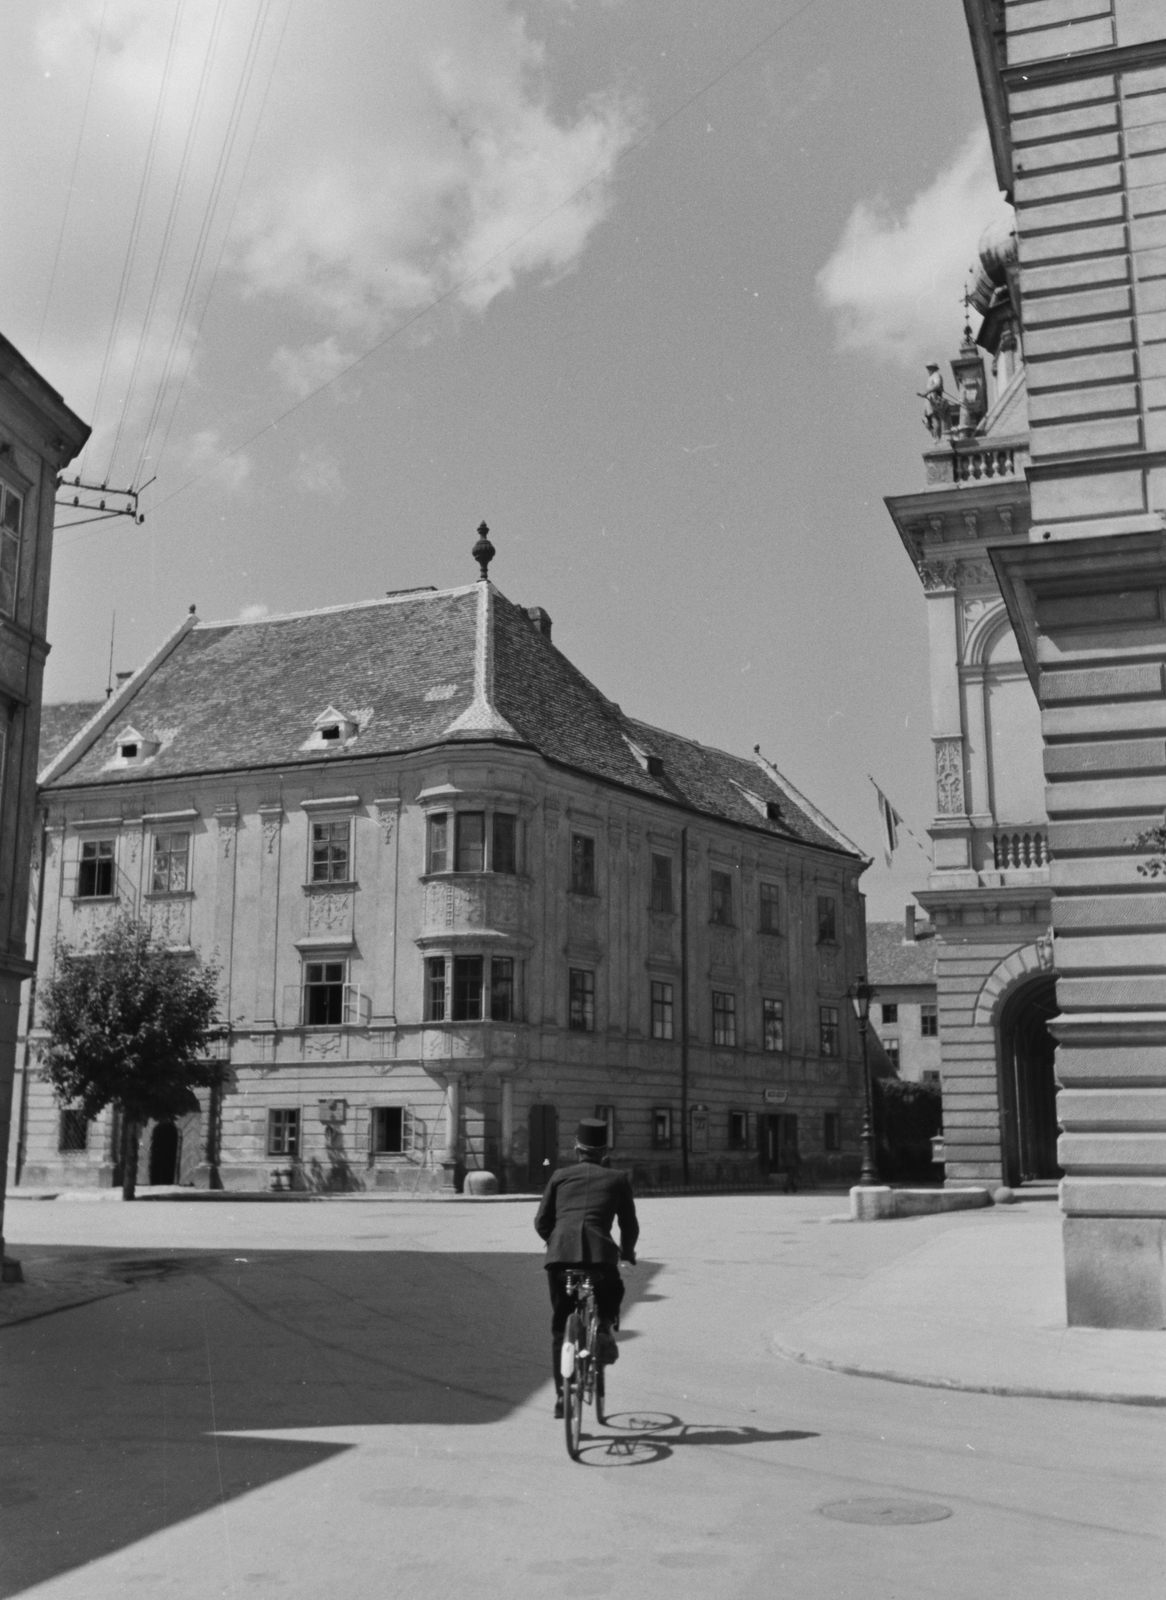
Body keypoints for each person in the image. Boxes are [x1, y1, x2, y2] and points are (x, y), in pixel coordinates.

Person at [534, 1117, 639, 1419]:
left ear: (576, 1148)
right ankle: (604, 1326)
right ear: (604, 1151)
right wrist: (628, 1252)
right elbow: (628, 1224)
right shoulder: (617, 1178)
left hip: (560, 1258)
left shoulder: (559, 1176)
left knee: (559, 1326)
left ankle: (560, 1397)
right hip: (600, 1259)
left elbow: (542, 1222)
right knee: (613, 1288)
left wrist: (555, 1241)